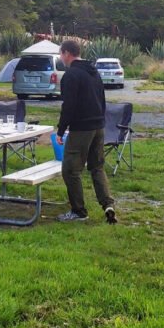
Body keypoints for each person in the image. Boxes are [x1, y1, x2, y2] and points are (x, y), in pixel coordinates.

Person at [55, 39, 117, 224]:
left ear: (67, 53)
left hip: (81, 129)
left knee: (70, 170)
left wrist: (61, 130)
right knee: (97, 167)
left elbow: (68, 106)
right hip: (98, 126)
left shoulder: (71, 75)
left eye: (61, 54)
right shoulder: (94, 72)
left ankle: (79, 211)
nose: (61, 58)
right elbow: (102, 99)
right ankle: (108, 204)